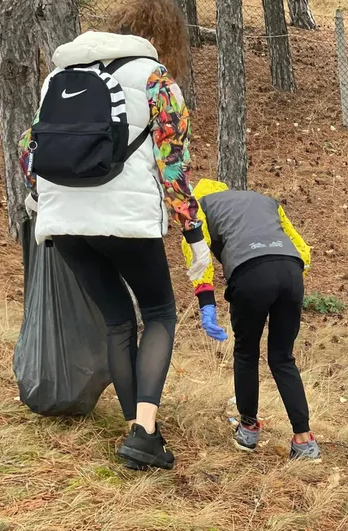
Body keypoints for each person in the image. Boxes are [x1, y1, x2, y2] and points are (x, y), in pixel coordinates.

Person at [18, 0, 209, 470]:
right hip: (127, 220)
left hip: (64, 223)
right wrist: (195, 237)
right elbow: (173, 166)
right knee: (159, 314)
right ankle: (144, 431)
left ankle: (137, 433)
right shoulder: (155, 79)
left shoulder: (57, 78)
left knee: (118, 321)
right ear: (158, 39)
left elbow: (29, 147)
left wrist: (40, 197)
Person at [181, 179, 320, 460]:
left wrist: (206, 302)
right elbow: (301, 248)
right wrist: (286, 281)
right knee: (283, 357)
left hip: (250, 274)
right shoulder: (262, 199)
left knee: (246, 353)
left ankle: (248, 429)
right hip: (290, 271)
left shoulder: (198, 208)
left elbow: (197, 254)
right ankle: (304, 440)